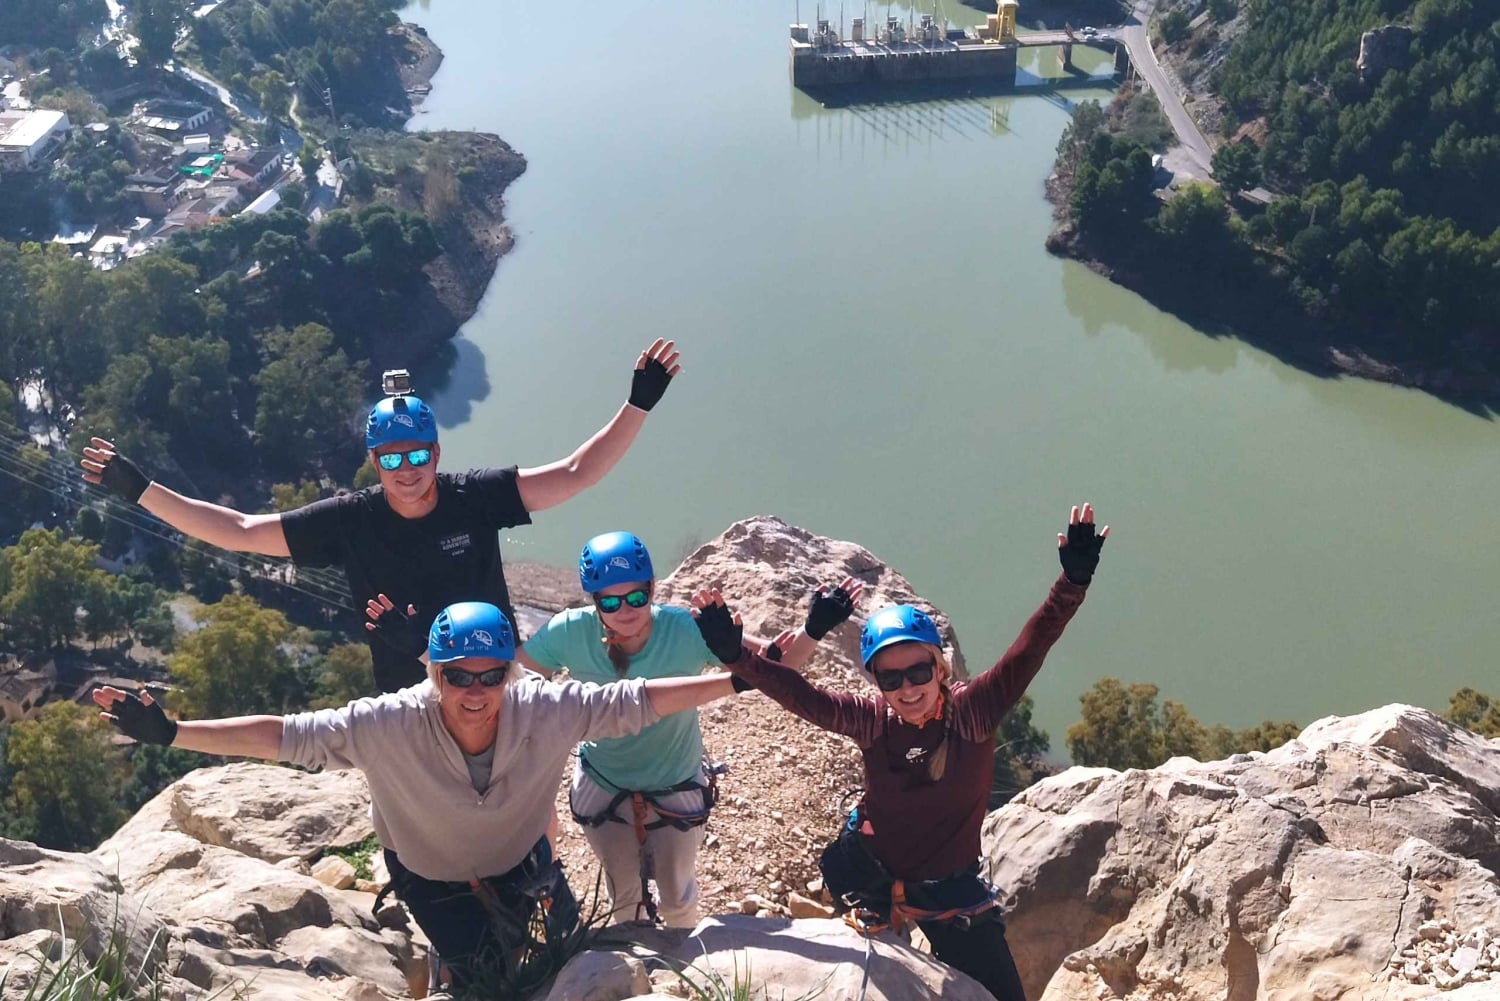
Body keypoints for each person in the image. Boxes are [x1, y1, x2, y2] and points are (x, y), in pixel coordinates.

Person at [92, 601, 741, 996]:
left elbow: (638, 700)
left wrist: (738, 677)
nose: (476, 690)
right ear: (434, 674)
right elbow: (285, 734)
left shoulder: (546, 707)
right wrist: (175, 732)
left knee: (566, 966)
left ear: (510, 674)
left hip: (525, 862)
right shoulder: (387, 722)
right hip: (433, 879)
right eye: (458, 676)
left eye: (491, 675)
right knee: (479, 977)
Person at [80, 340, 683, 693]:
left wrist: (637, 405)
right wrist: (142, 491)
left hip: (496, 679)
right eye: (392, 457)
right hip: (411, 691)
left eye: (419, 454)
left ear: (437, 453)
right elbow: (239, 531)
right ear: (373, 461)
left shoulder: (474, 496)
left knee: (525, 809)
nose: (407, 468)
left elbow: (576, 473)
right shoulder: (349, 520)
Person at [689, 504, 1109, 1001]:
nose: (908, 689)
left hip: (951, 888)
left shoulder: (975, 712)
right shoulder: (872, 721)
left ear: (939, 668)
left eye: (917, 672)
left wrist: (1071, 584)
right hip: (870, 872)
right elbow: (802, 696)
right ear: (877, 682)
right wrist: (737, 656)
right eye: (891, 678)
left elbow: (1032, 646)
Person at [503, 530, 862, 928]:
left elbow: (778, 672)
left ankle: (678, 973)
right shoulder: (569, 631)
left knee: (678, 898)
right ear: (593, 600)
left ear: (653, 588)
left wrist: (813, 629)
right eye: (610, 601)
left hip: (674, 781)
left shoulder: (686, 629)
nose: (626, 610)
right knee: (623, 902)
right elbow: (508, 682)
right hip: (603, 784)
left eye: (637, 597)